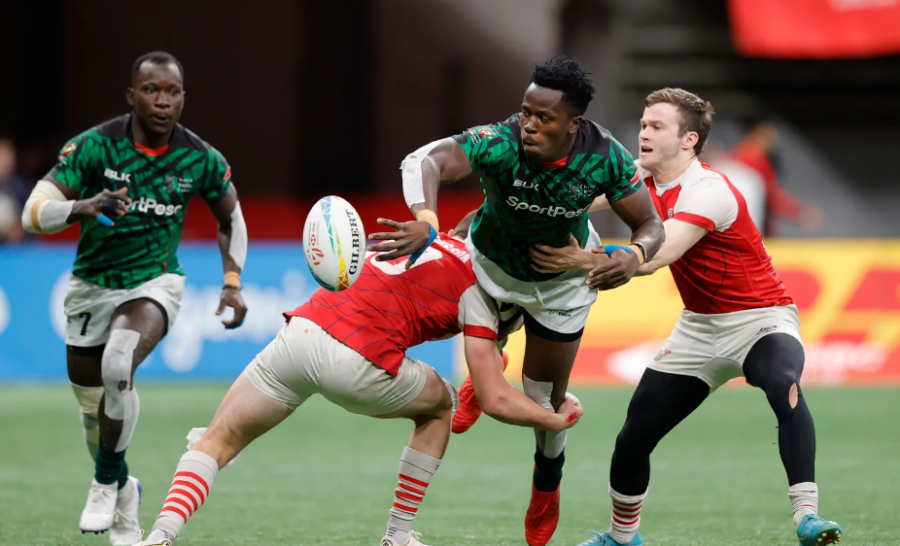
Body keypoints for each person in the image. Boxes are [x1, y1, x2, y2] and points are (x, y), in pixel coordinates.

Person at [133, 211, 583, 546]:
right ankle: (398, 535)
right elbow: (497, 399)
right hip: (357, 363)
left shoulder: (421, 237)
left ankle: (159, 536)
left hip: (300, 333)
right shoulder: (482, 291)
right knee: (439, 405)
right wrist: (553, 422)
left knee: (217, 440)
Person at [367, 55, 665, 546]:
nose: (528, 124)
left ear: (574, 124)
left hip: (561, 286)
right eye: (525, 111)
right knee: (492, 369)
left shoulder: (605, 156)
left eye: (543, 117)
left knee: (542, 399)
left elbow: (650, 226)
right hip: (490, 270)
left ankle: (547, 481)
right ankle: (490, 362)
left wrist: (633, 255)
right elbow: (427, 159)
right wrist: (426, 216)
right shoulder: (502, 140)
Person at [533, 88, 842, 546]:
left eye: (657, 126)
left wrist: (575, 259)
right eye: (642, 124)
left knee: (782, 383)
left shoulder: (709, 190)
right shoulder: (638, 178)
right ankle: (623, 537)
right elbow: (571, 199)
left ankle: (807, 517)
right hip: (699, 329)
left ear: (689, 140)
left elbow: (658, 255)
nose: (643, 133)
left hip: (760, 321)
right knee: (634, 435)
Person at [20, 51, 249, 545]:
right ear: (132, 95)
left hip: (155, 283)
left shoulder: (200, 158)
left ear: (183, 97)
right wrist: (82, 205)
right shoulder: (95, 148)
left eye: (172, 92)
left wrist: (232, 280)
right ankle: (125, 492)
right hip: (90, 287)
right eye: (151, 90)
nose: (162, 101)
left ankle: (103, 482)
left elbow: (231, 216)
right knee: (92, 412)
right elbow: (31, 213)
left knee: (118, 363)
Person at [732, 120, 823, 236]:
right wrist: (801, 212)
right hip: (753, 227)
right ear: (754, 134)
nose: (772, 141)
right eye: (767, 136)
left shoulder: (735, 155)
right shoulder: (754, 158)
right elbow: (773, 196)